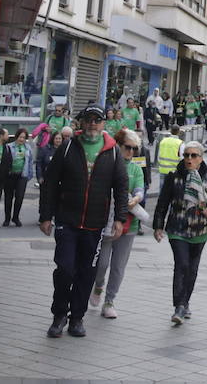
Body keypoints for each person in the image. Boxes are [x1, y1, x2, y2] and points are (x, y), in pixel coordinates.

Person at [38, 103, 129, 339]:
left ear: (103, 124)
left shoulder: (112, 152)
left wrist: (119, 218)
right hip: (67, 221)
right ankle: (59, 316)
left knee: (87, 273)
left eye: (97, 120)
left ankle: (77, 318)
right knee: (65, 269)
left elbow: (120, 187)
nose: (92, 124)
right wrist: (46, 216)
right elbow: (50, 183)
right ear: (81, 122)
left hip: (95, 225)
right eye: (88, 119)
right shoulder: (68, 147)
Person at [153, 140, 207, 325]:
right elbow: (163, 203)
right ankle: (179, 306)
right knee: (182, 264)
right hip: (177, 228)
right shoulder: (174, 177)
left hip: (200, 229)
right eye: (186, 155)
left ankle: (185, 302)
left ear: (201, 158)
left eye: (194, 155)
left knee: (192, 268)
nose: (189, 159)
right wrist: (158, 226)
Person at [90, 128, 147, 318]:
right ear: (119, 145)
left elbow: (140, 188)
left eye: (134, 149)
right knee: (102, 264)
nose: (131, 152)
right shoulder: (109, 163)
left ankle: (110, 301)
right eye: (127, 148)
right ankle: (98, 285)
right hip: (106, 222)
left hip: (128, 225)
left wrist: (136, 198)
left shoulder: (136, 168)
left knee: (118, 266)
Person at [4, 128, 34, 227]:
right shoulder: (9, 146)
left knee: (19, 197)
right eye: (20, 137)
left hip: (22, 175)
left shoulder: (28, 148)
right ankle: (7, 218)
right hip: (10, 175)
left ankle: (15, 217)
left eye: (24, 138)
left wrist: (29, 175)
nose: (22, 139)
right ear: (17, 137)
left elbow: (30, 162)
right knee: (8, 197)